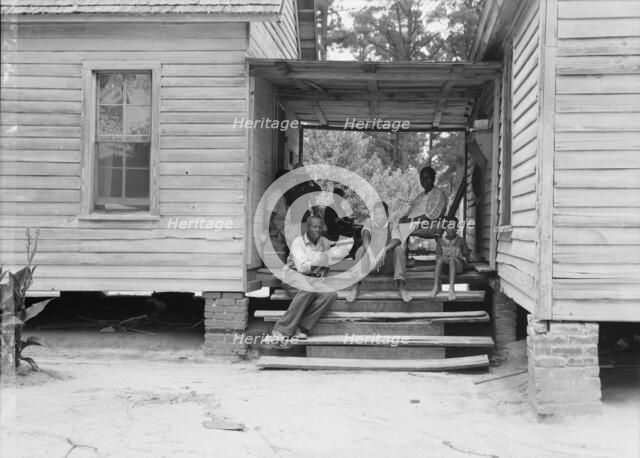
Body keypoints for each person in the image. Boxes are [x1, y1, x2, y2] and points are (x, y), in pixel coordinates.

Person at [270, 216, 338, 342]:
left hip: (311, 279)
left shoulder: (324, 242)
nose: (317, 230)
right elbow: (302, 268)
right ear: (308, 228)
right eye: (314, 227)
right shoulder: (298, 242)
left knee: (331, 294)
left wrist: (324, 270)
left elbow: (328, 262)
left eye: (319, 227)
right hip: (293, 275)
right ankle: (281, 329)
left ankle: (301, 327)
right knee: (307, 290)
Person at [345, 201, 412, 303]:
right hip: (371, 266)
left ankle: (401, 286)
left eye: (381, 213)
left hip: (388, 266)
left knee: (399, 249)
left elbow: (397, 239)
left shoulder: (392, 225)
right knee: (360, 251)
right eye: (376, 214)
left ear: (387, 215)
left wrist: (385, 249)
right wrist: (370, 253)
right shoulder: (369, 223)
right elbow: (365, 236)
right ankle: (355, 286)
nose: (378, 216)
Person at [398, 166, 448, 242]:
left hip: (426, 223)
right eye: (422, 178)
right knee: (392, 228)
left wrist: (411, 220)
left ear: (433, 179)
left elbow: (432, 215)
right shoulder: (420, 196)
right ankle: (395, 251)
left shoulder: (439, 193)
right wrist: (404, 218)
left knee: (399, 230)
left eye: (427, 178)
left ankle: (395, 251)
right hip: (412, 222)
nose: (424, 181)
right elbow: (410, 211)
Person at [430, 217, 470, 301]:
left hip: (457, 267)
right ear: (445, 228)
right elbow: (437, 255)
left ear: (456, 229)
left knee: (452, 260)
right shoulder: (440, 241)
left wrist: (458, 259)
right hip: (445, 268)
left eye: (454, 227)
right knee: (440, 260)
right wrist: (442, 258)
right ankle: (435, 287)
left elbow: (467, 257)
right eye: (449, 226)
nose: (452, 229)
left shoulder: (461, 241)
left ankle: (451, 289)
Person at [267, 168, 291, 263]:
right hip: (279, 232)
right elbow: (267, 217)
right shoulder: (276, 195)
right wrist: (276, 232)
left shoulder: (284, 195)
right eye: (289, 180)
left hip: (285, 230)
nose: (291, 182)